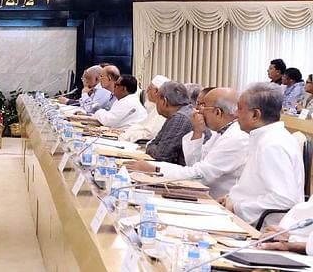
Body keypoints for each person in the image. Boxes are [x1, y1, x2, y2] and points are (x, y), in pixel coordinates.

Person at [125, 88, 248, 199]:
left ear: (217, 112)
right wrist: (197, 131)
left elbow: (200, 176)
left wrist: (155, 169)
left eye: (202, 106)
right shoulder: (220, 133)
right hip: (202, 194)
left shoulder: (235, 138)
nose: (197, 110)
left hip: (216, 201)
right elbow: (194, 164)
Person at [218, 82, 304, 225]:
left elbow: (283, 200)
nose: (235, 114)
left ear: (255, 115)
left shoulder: (273, 145)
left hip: (261, 229)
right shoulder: (266, 137)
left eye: (239, 108)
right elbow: (255, 187)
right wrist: (230, 199)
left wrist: (237, 206)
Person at [146, 81, 194, 165]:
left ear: (164, 101)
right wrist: (154, 147)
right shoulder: (176, 114)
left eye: (157, 100)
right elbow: (155, 142)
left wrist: (151, 148)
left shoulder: (180, 118)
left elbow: (161, 156)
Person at [119, 75, 170, 142]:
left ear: (156, 91)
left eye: (149, 89)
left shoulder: (162, 111)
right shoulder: (154, 108)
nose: (146, 92)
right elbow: (141, 126)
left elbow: (149, 135)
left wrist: (127, 135)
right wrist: (125, 131)